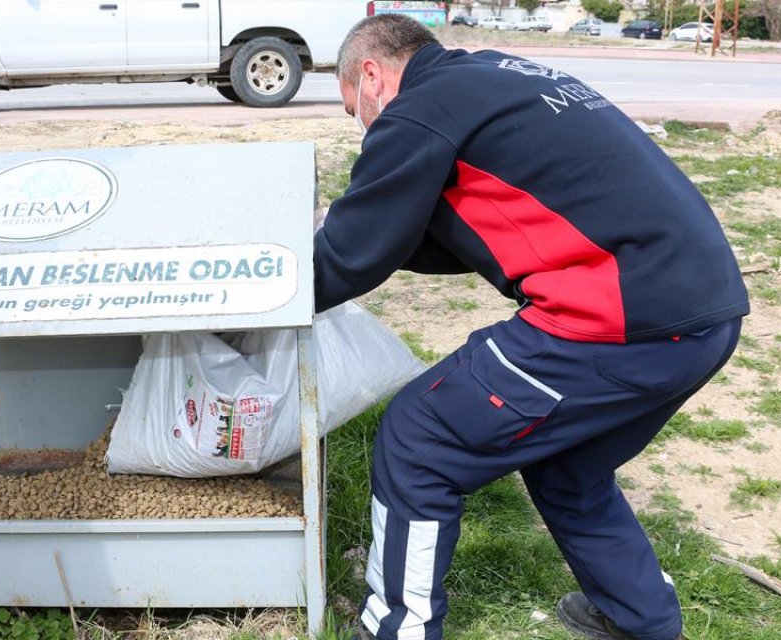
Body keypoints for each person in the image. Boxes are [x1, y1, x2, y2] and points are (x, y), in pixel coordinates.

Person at [313, 14, 749, 640]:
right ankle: (642, 621)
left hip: (618, 321)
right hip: (705, 315)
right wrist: (363, 239)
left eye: (353, 107)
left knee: (420, 438)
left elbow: (352, 253)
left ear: (372, 76)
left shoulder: (419, 108)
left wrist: (277, 293)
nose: (361, 122)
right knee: (568, 467)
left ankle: (398, 630)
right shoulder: (495, 76)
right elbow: (440, 230)